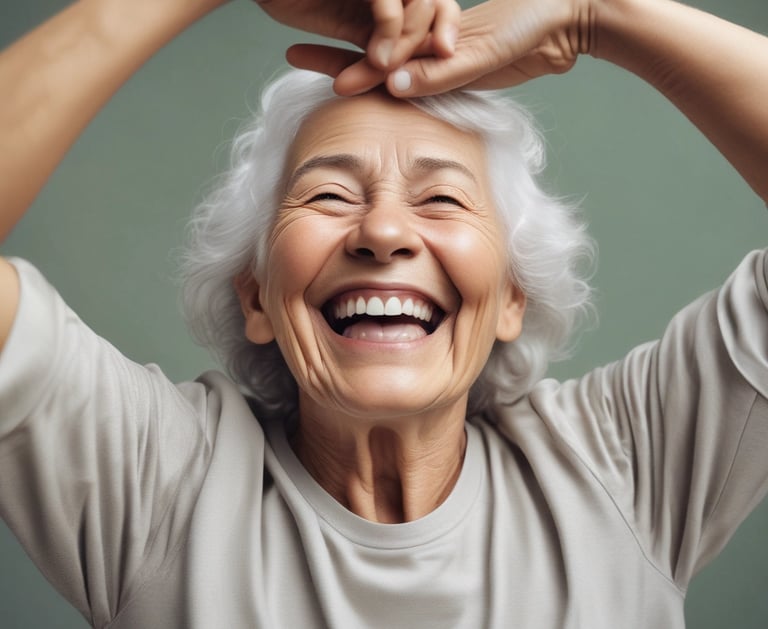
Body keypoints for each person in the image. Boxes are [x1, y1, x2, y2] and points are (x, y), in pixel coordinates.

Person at [0, 1, 766, 628]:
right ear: (256, 295)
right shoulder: (159, 488)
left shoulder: (626, 470)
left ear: (509, 297)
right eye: (330, 195)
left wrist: (596, 18)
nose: (385, 233)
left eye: (441, 198)